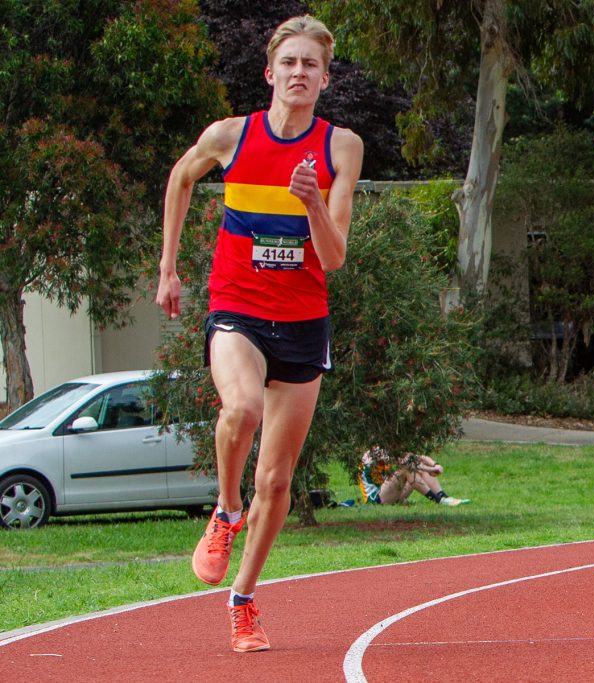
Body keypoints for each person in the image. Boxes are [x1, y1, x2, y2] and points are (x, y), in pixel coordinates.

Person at [155, 15, 363, 653]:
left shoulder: (340, 147)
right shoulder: (230, 135)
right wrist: (168, 268)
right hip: (237, 306)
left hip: (302, 321)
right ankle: (225, 509)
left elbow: (333, 257)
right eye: (289, 62)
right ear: (270, 73)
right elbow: (180, 178)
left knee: (275, 481)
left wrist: (311, 201)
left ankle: (243, 600)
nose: (299, 72)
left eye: (311, 65)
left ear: (324, 80)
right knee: (241, 408)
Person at [358, 447, 470, 506]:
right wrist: (431, 469)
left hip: (389, 494)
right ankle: (439, 501)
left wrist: (435, 464)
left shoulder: (389, 447)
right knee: (407, 470)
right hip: (376, 500)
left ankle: (444, 497)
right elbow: (405, 463)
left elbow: (418, 457)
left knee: (417, 469)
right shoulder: (374, 453)